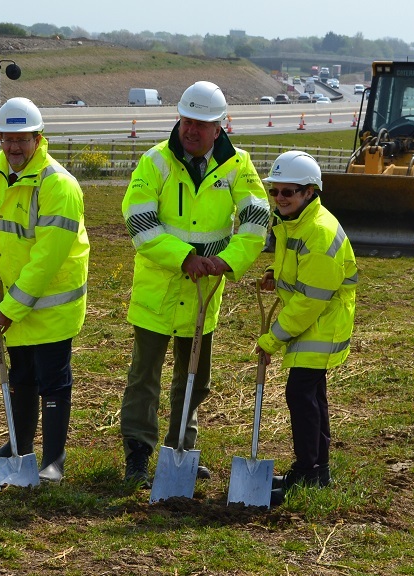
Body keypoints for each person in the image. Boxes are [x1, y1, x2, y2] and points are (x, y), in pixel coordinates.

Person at [120, 80, 270, 487]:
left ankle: (181, 449)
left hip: (206, 293)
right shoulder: (155, 162)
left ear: (220, 127)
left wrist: (226, 261)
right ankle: (138, 452)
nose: (192, 130)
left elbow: (257, 220)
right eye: (187, 121)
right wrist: (185, 258)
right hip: (159, 291)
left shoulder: (239, 165)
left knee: (195, 378)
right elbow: (139, 222)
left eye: (202, 124)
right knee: (144, 378)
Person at [0, 97, 89, 483]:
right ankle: (18, 446)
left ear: (38, 138)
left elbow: (46, 260)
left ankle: (53, 460)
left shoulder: (59, 185)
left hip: (50, 303)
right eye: (7, 139)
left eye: (22, 140)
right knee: (21, 377)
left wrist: (10, 308)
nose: (14, 148)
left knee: (53, 380)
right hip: (11, 298)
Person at [254, 150, 357, 506]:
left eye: (289, 192)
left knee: (301, 395)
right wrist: (274, 274)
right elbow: (296, 270)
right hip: (314, 319)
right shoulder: (292, 221)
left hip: (321, 322)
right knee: (311, 396)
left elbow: (309, 301)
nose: (280, 198)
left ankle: (309, 471)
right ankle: (316, 470)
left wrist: (271, 339)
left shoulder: (318, 232)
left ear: (310, 192)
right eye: (275, 191)